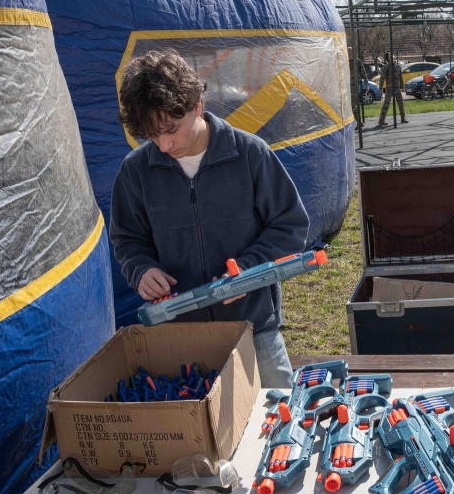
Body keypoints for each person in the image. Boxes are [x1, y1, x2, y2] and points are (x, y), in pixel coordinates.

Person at [110, 50, 310, 386]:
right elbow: (128, 240)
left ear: (196, 105)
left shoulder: (250, 154)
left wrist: (247, 270)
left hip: (253, 329)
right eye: (152, 135)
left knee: (276, 412)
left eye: (171, 129)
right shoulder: (135, 172)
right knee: (193, 418)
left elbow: (290, 226)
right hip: (179, 337)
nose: (164, 144)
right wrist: (141, 270)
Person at [377, 52, 408, 126]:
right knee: (386, 103)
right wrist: (380, 88)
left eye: (392, 55)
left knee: (400, 103)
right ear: (387, 58)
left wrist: (402, 86)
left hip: (397, 87)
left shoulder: (397, 66)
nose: (391, 56)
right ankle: (381, 119)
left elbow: (400, 77)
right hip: (389, 88)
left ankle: (403, 118)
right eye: (389, 55)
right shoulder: (386, 67)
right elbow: (382, 78)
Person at [348, 46, 368, 129]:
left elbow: (364, 73)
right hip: (347, 85)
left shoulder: (358, 61)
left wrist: (366, 85)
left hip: (355, 85)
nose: (350, 53)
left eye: (351, 52)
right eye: (348, 52)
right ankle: (357, 121)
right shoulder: (345, 61)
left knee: (352, 104)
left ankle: (359, 121)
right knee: (349, 105)